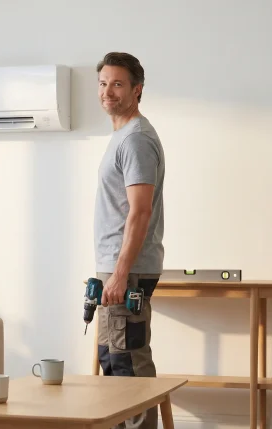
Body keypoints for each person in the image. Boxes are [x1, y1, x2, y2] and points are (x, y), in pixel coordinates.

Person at [93, 52, 165, 429]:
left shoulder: (136, 139)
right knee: (112, 360)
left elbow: (140, 212)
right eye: (103, 83)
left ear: (137, 90)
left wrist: (121, 274)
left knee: (129, 366)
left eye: (117, 84)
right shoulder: (121, 135)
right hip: (115, 267)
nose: (108, 91)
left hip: (129, 270)